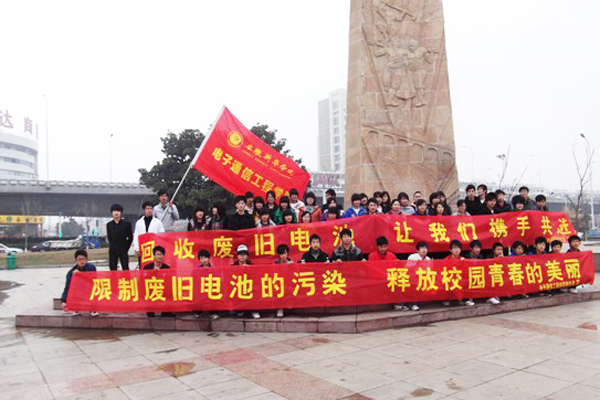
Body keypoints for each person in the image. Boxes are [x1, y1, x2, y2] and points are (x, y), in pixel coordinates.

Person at [61, 249, 97, 315]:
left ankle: (93, 308)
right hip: (79, 292)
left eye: (83, 259)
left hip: (89, 290)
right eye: (79, 259)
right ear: (76, 261)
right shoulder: (71, 272)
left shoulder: (91, 268)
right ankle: (76, 308)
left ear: (86, 260)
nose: (81, 261)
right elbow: (67, 287)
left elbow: (92, 280)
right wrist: (64, 301)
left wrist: (80, 275)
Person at [143, 246, 173, 318]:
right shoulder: (147, 267)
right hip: (151, 288)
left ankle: (166, 312)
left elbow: (169, 281)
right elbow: (143, 280)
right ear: (154, 255)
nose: (159, 256)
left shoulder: (167, 268)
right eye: (157, 254)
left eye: (161, 254)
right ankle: (150, 311)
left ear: (163, 256)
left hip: (162, 288)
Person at [232, 245, 260, 319]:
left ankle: (254, 310)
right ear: (237, 256)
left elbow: (256, 278)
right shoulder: (233, 266)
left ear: (247, 256)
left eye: (244, 254)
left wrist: (250, 269)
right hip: (238, 287)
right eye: (240, 254)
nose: (242, 256)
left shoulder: (251, 265)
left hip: (249, 287)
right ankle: (239, 310)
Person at [444, 240, 474, 306]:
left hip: (460, 279)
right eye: (454, 248)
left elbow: (466, 272)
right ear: (450, 250)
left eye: (458, 248)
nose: (457, 250)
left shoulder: (462, 259)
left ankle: (466, 299)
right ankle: (447, 299)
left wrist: (464, 263)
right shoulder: (447, 259)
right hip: (450, 279)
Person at [106, 203, 133, 271]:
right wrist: (113, 246)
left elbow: (130, 237)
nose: (116, 213)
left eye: (118, 211)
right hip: (113, 251)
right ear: (112, 213)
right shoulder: (109, 225)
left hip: (123, 250)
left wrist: (126, 248)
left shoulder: (127, 224)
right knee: (112, 269)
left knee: (125, 268)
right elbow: (109, 237)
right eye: (114, 211)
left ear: (121, 213)